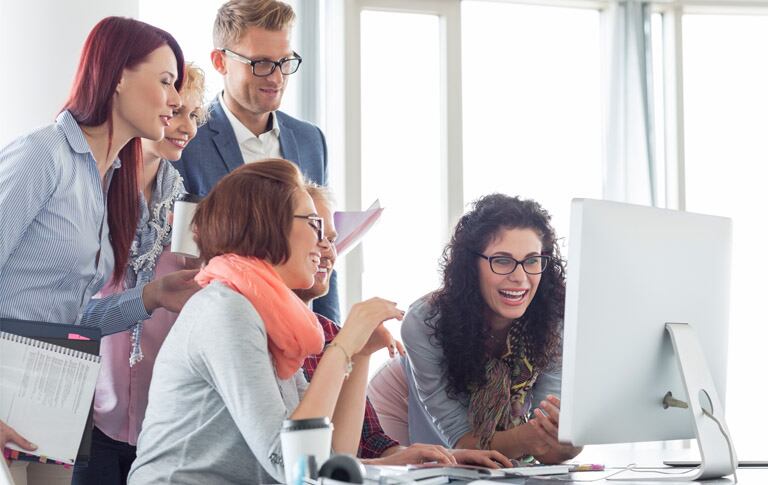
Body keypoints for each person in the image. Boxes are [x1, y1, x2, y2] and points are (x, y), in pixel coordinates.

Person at [128, 159, 402, 484]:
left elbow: (325, 460)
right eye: (314, 224)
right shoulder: (225, 308)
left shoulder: (273, 314)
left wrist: (358, 356)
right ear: (268, 224)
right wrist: (341, 348)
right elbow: (292, 466)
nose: (324, 244)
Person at [0, 16, 187, 485]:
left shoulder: (108, 181)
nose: (176, 100)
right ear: (119, 74)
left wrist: (155, 295)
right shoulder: (44, 155)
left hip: (54, 380)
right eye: (165, 81)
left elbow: (76, 319)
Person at [295, 185, 514, 469]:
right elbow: (309, 465)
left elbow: (370, 442)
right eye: (316, 234)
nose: (327, 249)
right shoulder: (262, 332)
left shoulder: (331, 333)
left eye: (332, 239)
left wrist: (433, 458)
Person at [72, 63, 208, 485]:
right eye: (178, 111)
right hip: (87, 412)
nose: (186, 126)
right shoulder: (92, 194)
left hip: (162, 417)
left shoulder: (190, 212)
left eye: (195, 116)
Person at [173, 0, 339, 323]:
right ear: (220, 61)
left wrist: (334, 341)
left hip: (301, 338)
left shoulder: (311, 142)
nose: (276, 77)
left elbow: (325, 255)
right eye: (261, 63)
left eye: (285, 62)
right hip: (223, 329)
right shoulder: (187, 141)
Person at [401, 194, 583, 464]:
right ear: (471, 266)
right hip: (408, 405)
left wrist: (568, 440)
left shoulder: (556, 318)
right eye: (502, 260)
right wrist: (531, 437)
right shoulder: (424, 322)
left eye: (532, 260)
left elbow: (549, 439)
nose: (520, 277)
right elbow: (461, 441)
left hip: (502, 441)